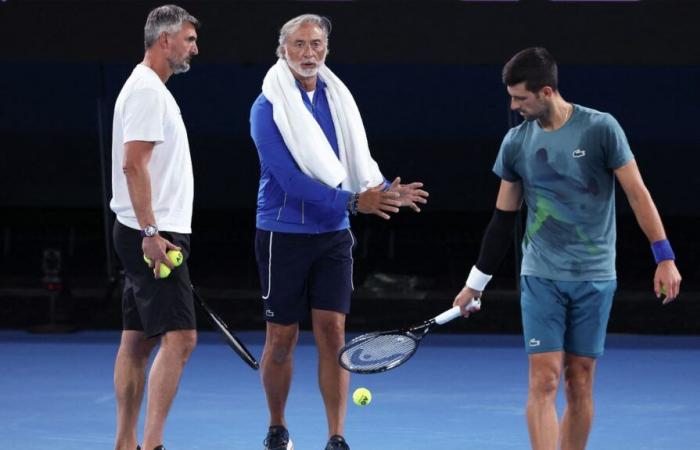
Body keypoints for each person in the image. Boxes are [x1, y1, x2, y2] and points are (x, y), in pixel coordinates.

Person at [452, 47, 681, 450]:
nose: (514, 106)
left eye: (520, 98)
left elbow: (638, 194)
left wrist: (664, 257)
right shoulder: (516, 142)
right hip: (541, 276)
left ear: (545, 91)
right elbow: (503, 220)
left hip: (595, 277)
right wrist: (476, 283)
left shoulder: (601, 128)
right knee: (544, 378)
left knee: (579, 382)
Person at [250, 14, 429, 450]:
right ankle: (277, 426)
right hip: (282, 234)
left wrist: (387, 191)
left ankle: (336, 436)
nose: (308, 53)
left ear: (326, 49)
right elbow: (290, 181)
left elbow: (356, 168)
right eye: (299, 45)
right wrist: (354, 201)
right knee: (282, 339)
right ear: (283, 50)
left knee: (333, 334)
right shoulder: (265, 107)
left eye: (316, 44)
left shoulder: (338, 100)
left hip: (333, 235)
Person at [109, 5, 199, 450]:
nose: (193, 49)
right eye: (188, 39)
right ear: (165, 41)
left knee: (138, 340)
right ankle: (152, 445)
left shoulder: (149, 88)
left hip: (145, 232)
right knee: (181, 339)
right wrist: (151, 235)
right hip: (153, 236)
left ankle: (125, 444)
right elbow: (133, 165)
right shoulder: (146, 91)